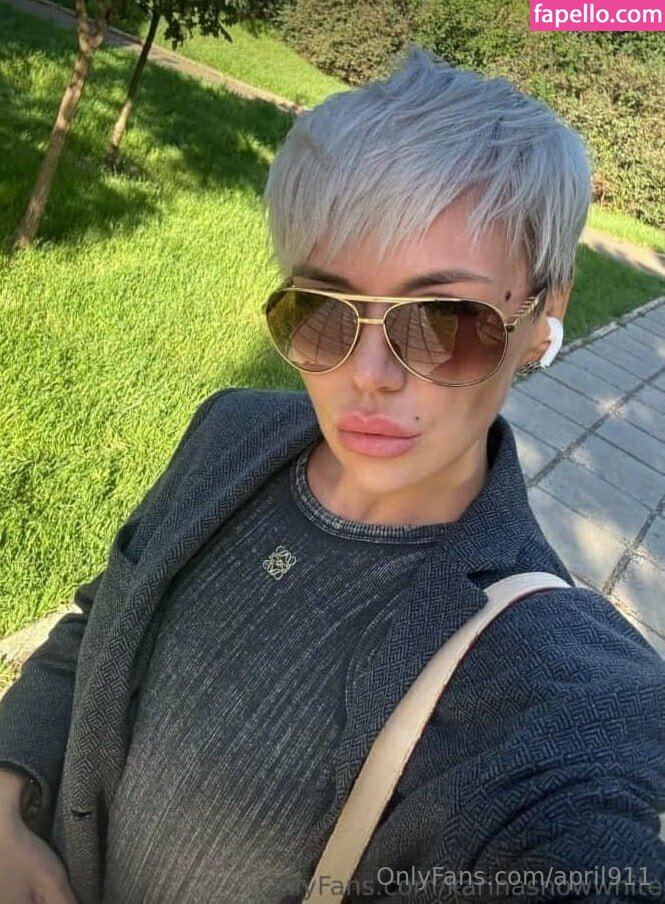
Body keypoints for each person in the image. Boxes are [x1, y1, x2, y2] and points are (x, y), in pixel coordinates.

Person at [1, 46, 664, 904]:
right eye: (320, 309)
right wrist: (8, 791)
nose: (368, 375)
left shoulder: (546, 678)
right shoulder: (229, 433)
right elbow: (100, 622)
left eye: (444, 321)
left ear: (544, 314)